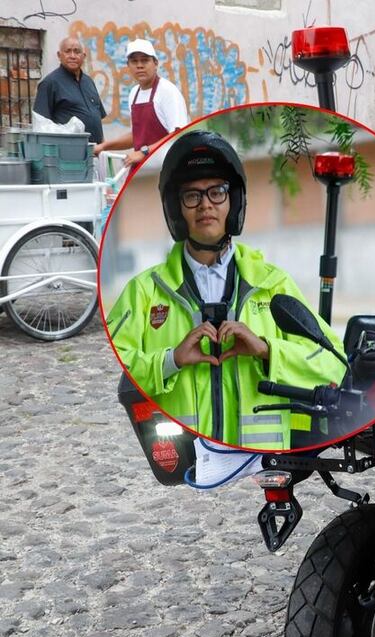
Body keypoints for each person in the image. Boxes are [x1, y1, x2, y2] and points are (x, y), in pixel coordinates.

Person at [106, 131, 345, 450]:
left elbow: (335, 364)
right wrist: (171, 360)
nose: (205, 205)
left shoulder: (272, 286)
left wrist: (267, 350)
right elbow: (120, 368)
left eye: (216, 192)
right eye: (192, 196)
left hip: (262, 464)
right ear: (177, 210)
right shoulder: (144, 293)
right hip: (190, 467)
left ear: (234, 202)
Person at [93, 38, 188, 166]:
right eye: (134, 61)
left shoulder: (167, 91)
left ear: (155, 63)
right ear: (128, 66)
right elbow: (137, 136)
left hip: (169, 169)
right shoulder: (134, 93)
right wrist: (104, 146)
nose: (139, 65)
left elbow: (178, 135)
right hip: (143, 171)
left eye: (145, 60)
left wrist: (144, 152)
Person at [32, 37, 106, 144]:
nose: (72, 56)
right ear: (59, 55)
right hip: (68, 153)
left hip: (95, 152)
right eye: (67, 51)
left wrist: (103, 146)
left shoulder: (89, 82)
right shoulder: (50, 83)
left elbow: (97, 118)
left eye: (77, 52)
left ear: (83, 56)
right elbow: (41, 125)